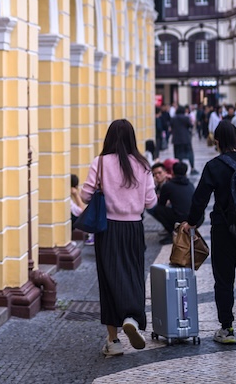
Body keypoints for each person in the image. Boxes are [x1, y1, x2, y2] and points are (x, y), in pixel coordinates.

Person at [179, 120, 236, 350]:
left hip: (225, 230)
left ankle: (227, 328)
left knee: (224, 280)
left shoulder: (215, 166)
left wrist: (192, 222)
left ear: (217, 142)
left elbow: (200, 199)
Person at [81, 119, 157, 357]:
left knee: (109, 279)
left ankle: (113, 340)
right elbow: (151, 202)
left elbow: (85, 196)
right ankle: (132, 318)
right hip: (134, 227)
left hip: (108, 228)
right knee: (134, 274)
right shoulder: (143, 165)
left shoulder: (100, 162)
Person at [149, 161, 194, 245]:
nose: (157, 176)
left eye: (159, 173)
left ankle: (172, 233)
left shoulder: (168, 185)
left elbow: (161, 204)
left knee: (157, 209)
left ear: (171, 172)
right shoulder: (190, 184)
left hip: (181, 219)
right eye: (154, 174)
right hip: (195, 219)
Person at [171, 105, 197, 175]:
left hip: (176, 139)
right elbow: (191, 125)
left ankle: (178, 169)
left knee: (177, 155)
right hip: (186, 139)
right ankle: (192, 168)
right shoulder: (186, 118)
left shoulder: (173, 118)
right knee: (189, 153)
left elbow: (171, 126)